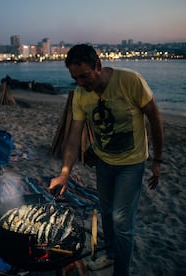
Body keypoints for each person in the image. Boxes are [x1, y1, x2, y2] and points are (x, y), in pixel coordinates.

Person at [49, 44, 164, 276]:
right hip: (104, 162)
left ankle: (121, 272)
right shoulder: (81, 95)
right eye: (75, 78)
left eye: (84, 76)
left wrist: (157, 159)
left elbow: (154, 117)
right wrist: (65, 171)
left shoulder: (130, 81)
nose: (80, 83)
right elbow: (73, 136)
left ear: (98, 66)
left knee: (122, 222)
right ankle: (111, 255)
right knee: (106, 211)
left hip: (131, 164)